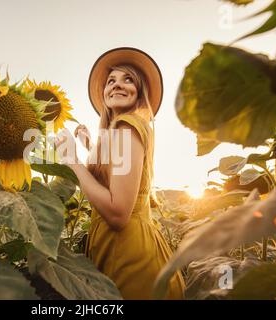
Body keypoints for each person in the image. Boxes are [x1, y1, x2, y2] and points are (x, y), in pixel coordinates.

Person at [55, 47, 185, 299]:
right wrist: (90, 147)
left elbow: (117, 213)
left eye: (128, 79)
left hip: (128, 255)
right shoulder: (125, 130)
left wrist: (72, 160)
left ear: (140, 91)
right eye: (110, 81)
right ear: (104, 93)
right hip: (128, 248)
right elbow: (117, 177)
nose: (117, 85)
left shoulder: (127, 128)